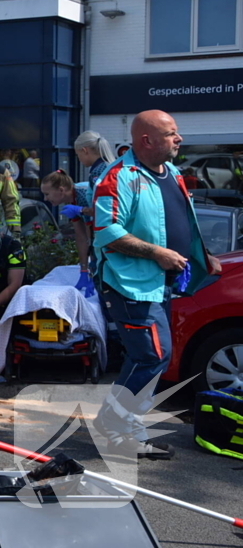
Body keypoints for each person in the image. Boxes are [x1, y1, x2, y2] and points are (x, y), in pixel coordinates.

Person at [92, 110, 221, 460]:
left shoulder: (172, 172)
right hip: (130, 285)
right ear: (146, 140)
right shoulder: (119, 176)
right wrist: (159, 254)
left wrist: (202, 256)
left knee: (151, 357)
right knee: (152, 355)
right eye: (171, 133)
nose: (179, 139)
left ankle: (126, 429)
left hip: (158, 284)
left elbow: (183, 221)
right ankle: (114, 427)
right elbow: (107, 233)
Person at [40, 170, 95, 296]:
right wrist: (83, 271)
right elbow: (80, 237)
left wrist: (92, 272)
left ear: (61, 190)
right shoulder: (71, 201)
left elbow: (91, 237)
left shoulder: (83, 195)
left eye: (47, 194)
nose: (45, 198)